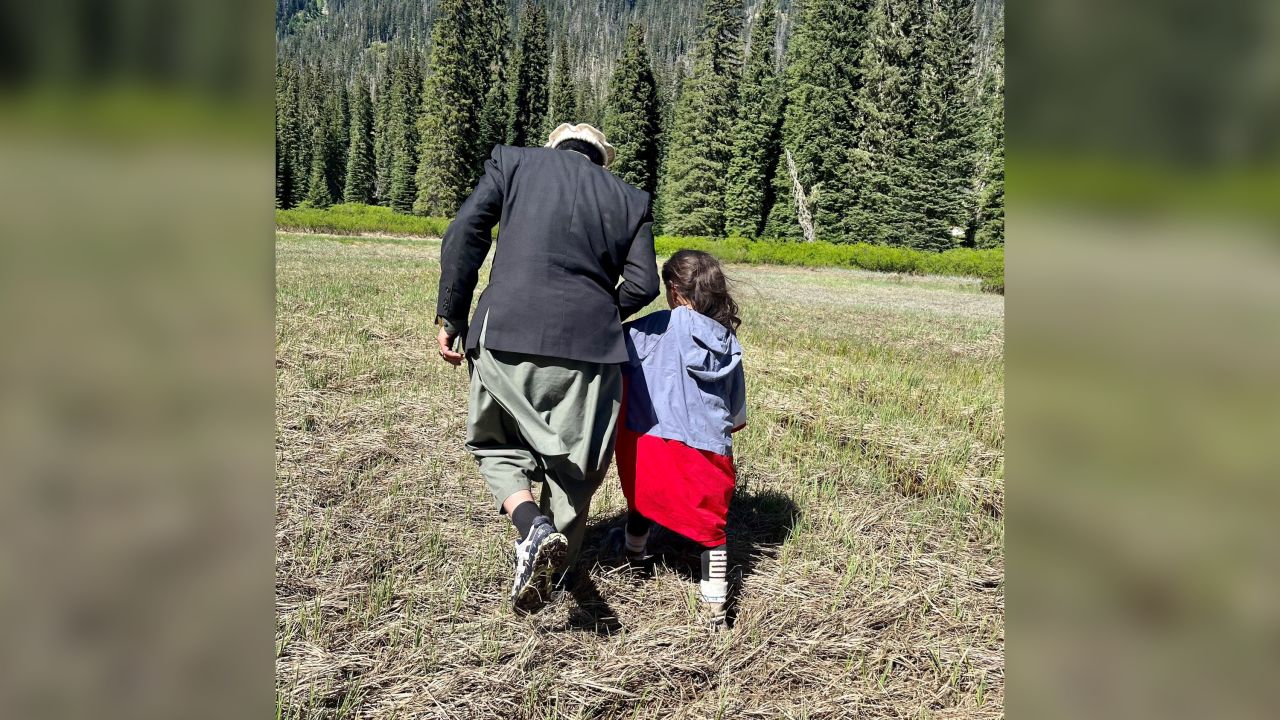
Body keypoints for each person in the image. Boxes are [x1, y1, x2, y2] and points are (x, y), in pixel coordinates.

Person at [435, 123, 660, 614]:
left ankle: (531, 527)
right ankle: (553, 564)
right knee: (574, 468)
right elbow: (644, 285)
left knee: (494, 441)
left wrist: (452, 314)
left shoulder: (513, 162)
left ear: (554, 147)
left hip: (506, 332)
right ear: (602, 160)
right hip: (593, 352)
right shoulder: (631, 198)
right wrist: (601, 313)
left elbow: (465, 231)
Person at [609, 250, 747, 629]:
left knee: (641, 502)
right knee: (712, 529)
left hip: (650, 441)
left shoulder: (646, 329)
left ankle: (634, 559)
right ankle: (714, 605)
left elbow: (613, 358)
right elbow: (736, 414)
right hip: (709, 448)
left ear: (673, 289)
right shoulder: (727, 341)